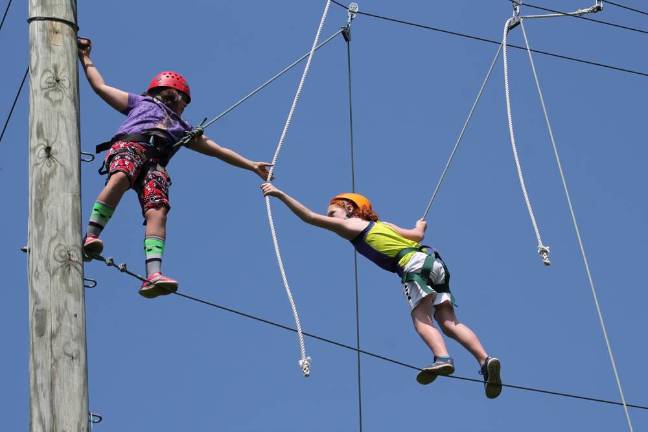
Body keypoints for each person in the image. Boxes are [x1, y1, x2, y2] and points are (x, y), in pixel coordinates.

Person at [260, 183, 502, 398]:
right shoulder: (383, 224)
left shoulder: (351, 226)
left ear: (349, 208)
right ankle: (484, 359)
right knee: (449, 322)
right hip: (434, 262)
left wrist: (280, 194)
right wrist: (420, 225)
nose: (330, 217)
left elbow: (309, 217)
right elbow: (417, 235)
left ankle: (443, 358)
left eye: (333, 212)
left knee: (421, 319)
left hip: (412, 266)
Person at [78, 37, 272, 299]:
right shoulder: (141, 103)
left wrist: (251, 165)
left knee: (157, 211)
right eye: (184, 100)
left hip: (155, 165)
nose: (184, 106)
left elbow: (218, 150)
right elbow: (100, 86)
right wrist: (86, 58)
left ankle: (153, 274)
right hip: (132, 147)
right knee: (121, 177)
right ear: (175, 93)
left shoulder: (184, 128)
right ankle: (91, 236)